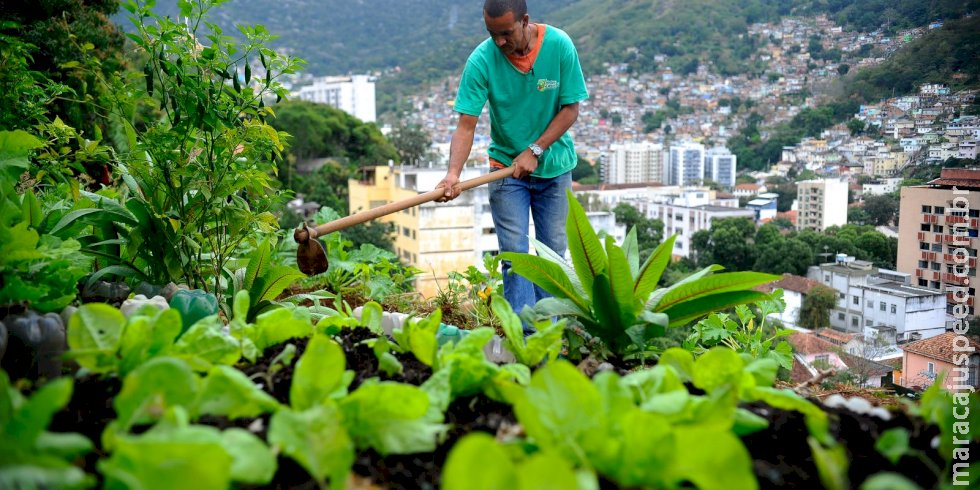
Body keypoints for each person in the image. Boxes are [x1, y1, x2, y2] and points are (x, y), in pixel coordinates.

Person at [436, 0, 588, 333]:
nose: (500, 42)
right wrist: (452, 174)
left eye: (506, 34)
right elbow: (466, 124)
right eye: (492, 34)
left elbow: (570, 109)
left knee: (551, 257)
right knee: (515, 256)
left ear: (525, 21)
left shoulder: (559, 46)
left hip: (555, 168)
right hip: (506, 170)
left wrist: (535, 149)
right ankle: (524, 336)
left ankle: (551, 333)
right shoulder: (482, 60)